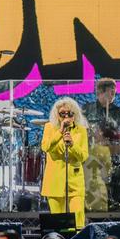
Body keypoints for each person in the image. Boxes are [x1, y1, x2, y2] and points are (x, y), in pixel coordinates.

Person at [41, 97, 89, 230]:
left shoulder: (81, 130)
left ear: (75, 114)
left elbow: (84, 156)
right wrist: (60, 132)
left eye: (70, 113)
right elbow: (45, 147)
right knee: (58, 222)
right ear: (57, 115)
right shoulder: (49, 128)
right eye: (63, 114)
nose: (66, 116)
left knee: (78, 217)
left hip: (75, 180)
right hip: (55, 180)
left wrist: (72, 145)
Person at [82, 79, 120, 210]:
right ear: (100, 92)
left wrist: (110, 138)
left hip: (110, 151)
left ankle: (112, 202)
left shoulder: (117, 111)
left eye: (115, 93)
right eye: (111, 92)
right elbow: (80, 128)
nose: (113, 96)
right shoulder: (87, 108)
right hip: (91, 152)